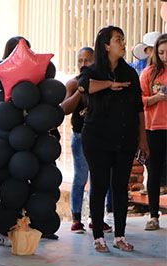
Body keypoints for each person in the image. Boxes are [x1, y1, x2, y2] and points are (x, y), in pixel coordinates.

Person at [78, 26, 149, 252]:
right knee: (99, 185)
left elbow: (139, 108)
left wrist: (143, 138)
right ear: (107, 46)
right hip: (97, 138)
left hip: (125, 139)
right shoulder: (94, 70)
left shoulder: (129, 73)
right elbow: (83, 87)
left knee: (120, 187)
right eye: (118, 39)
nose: (123, 43)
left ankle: (120, 235)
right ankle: (98, 236)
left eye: (123, 39)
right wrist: (109, 84)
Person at [61, 47, 113, 234]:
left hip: (100, 136)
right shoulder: (73, 84)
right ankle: (76, 218)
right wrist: (80, 91)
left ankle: (95, 218)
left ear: (96, 61)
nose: (84, 64)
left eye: (88, 60)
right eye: (80, 61)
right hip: (80, 135)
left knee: (99, 178)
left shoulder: (103, 82)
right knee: (81, 176)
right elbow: (65, 109)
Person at [140, 33, 167, 230]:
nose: (165, 56)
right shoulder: (149, 73)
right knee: (154, 172)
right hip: (154, 128)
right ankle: (153, 215)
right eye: (161, 52)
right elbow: (138, 101)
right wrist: (156, 98)